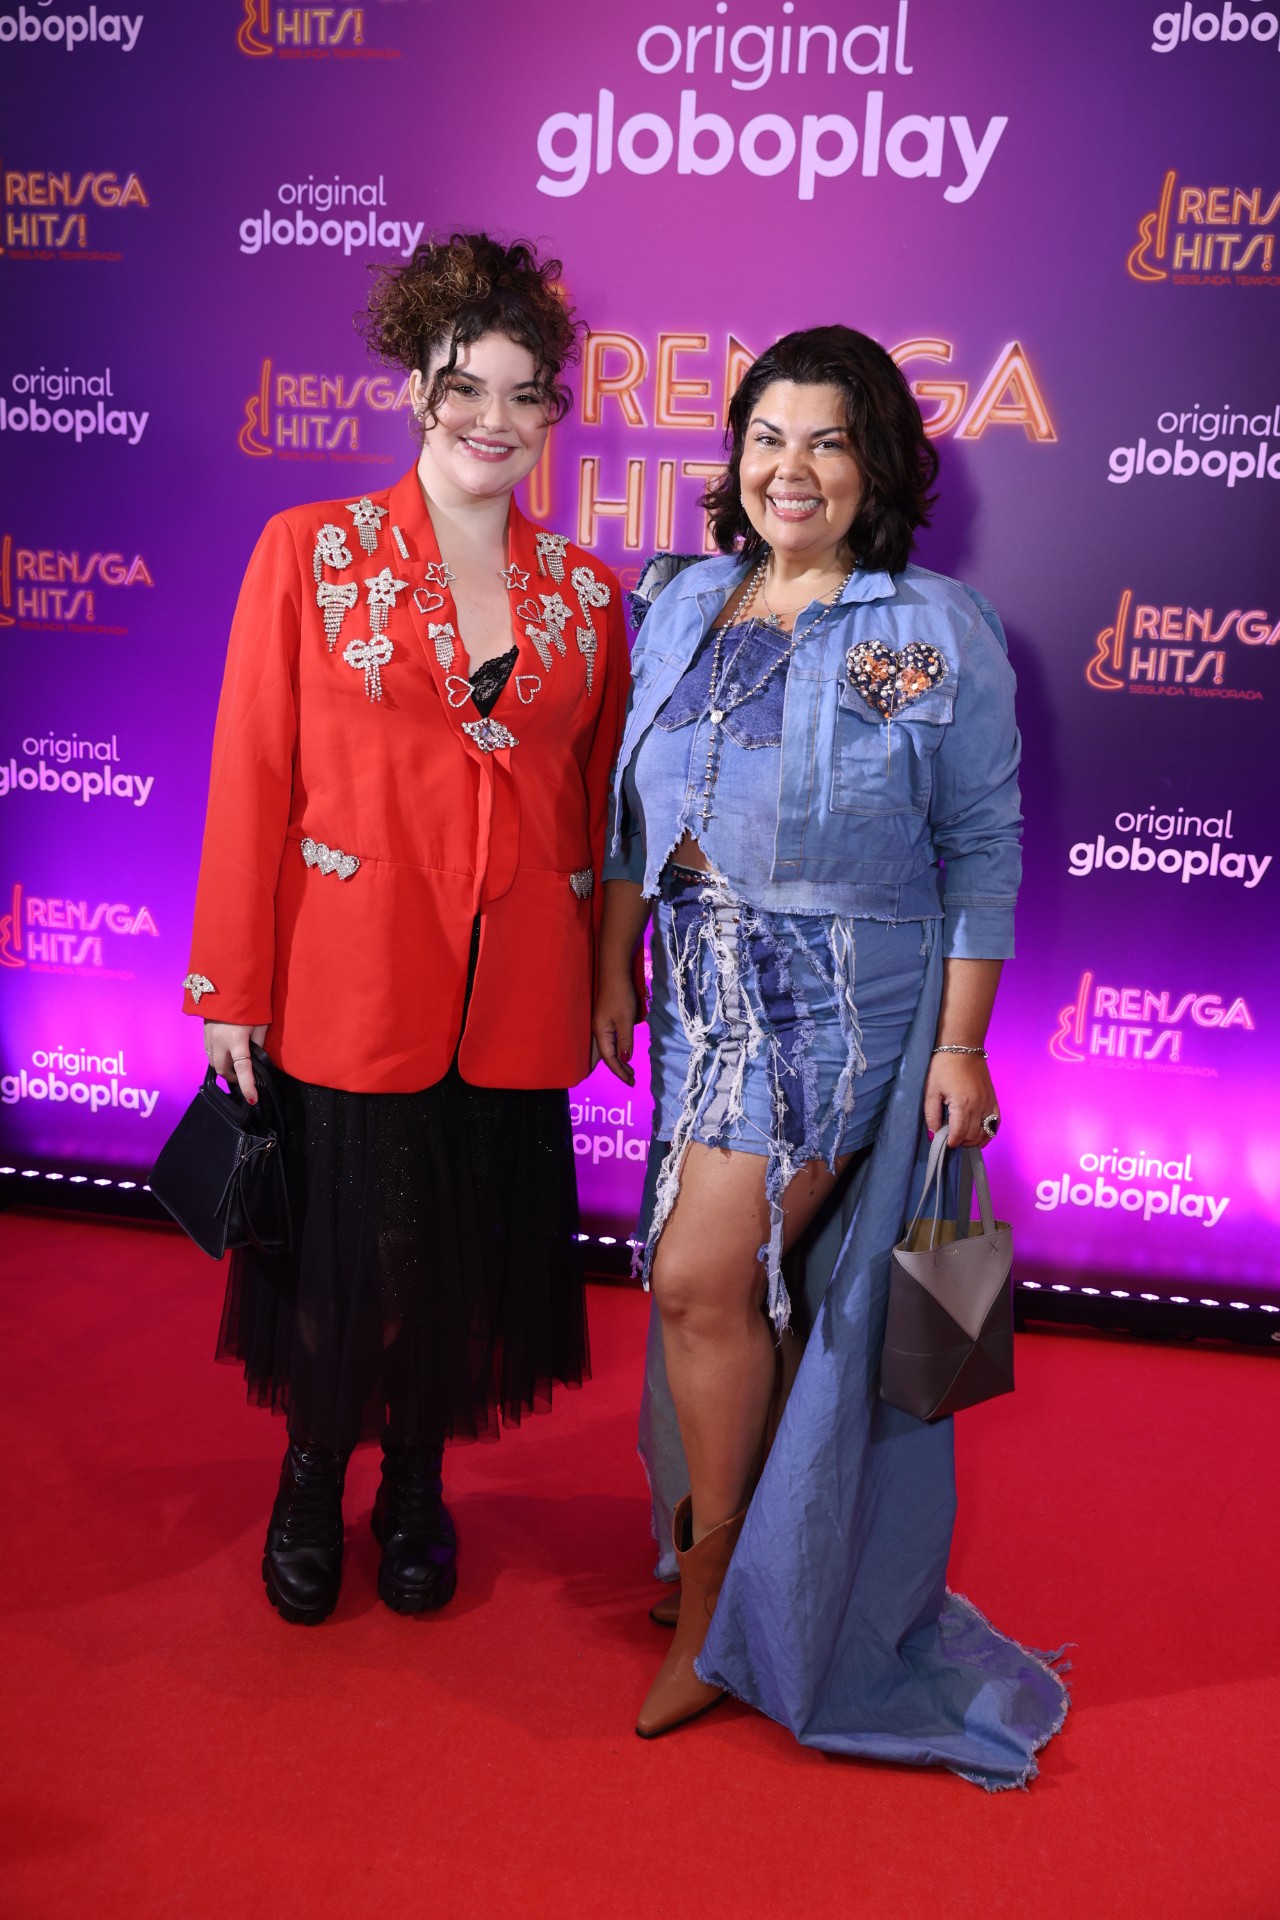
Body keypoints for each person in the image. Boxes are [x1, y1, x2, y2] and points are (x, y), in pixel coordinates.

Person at [593, 326, 1066, 1787]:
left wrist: (968, 1041)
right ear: (732, 459)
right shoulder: (675, 600)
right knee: (725, 1292)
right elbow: (628, 810)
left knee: (699, 1278)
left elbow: (981, 839)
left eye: (828, 441)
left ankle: (724, 1597)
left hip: (845, 997)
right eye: (767, 439)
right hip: (695, 991)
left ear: (877, 467)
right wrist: (614, 964)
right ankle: (741, 1555)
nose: (790, 470)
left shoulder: (925, 625)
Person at [185, 233, 628, 1625]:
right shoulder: (312, 554)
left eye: (523, 396)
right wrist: (228, 988)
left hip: (515, 996)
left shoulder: (589, 596)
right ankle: (313, 1475)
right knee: (349, 1255)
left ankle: (419, 1485)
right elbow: (252, 774)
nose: (494, 422)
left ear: (555, 412)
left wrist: (609, 980)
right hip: (350, 981)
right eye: (464, 390)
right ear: (412, 389)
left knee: (463, 1257)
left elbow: (598, 810)